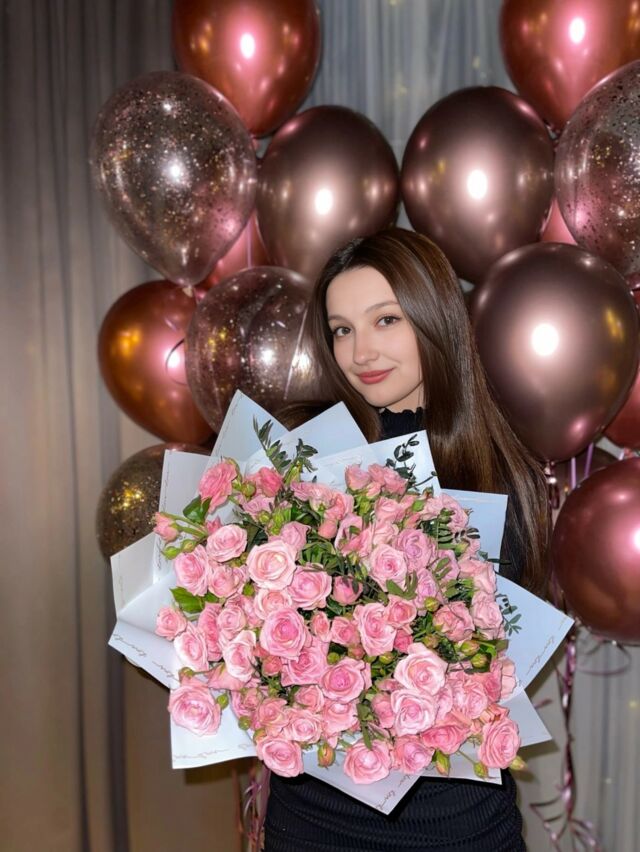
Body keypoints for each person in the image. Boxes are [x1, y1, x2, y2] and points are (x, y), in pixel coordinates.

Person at [264, 226, 551, 851]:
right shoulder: (303, 450)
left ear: (434, 319)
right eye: (342, 329)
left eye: (386, 320)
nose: (360, 351)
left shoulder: (501, 471)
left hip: (458, 822)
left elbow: (505, 656)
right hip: (314, 817)